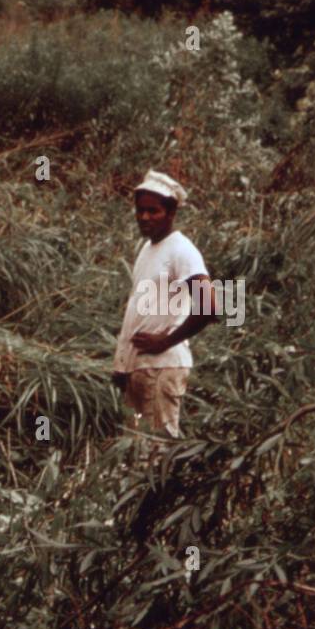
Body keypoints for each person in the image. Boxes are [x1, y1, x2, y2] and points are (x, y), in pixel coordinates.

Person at [111, 170, 218, 445]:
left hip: (161, 368)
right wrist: (123, 366)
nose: (144, 217)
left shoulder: (181, 250)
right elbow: (138, 311)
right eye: (140, 210)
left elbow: (209, 307)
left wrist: (165, 341)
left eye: (153, 211)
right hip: (141, 368)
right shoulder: (148, 250)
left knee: (156, 455)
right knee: (135, 454)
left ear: (170, 213)